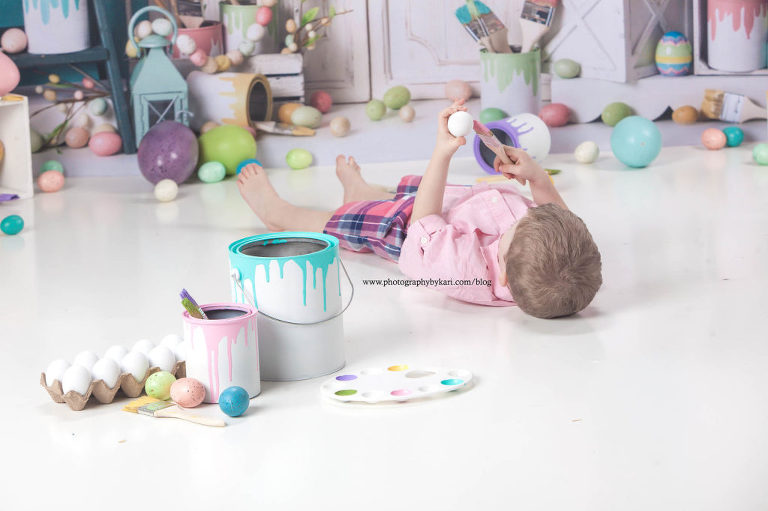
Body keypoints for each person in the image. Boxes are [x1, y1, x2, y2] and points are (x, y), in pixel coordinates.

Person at [237, 101, 602, 318]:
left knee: (347, 222)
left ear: (502, 275)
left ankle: (279, 212)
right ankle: (360, 192)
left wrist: (442, 152)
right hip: (462, 208)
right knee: (401, 192)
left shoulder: (462, 268)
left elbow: (422, 222)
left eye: (513, 232)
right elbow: (561, 218)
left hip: (413, 232)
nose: (523, 218)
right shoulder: (561, 255)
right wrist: (538, 180)